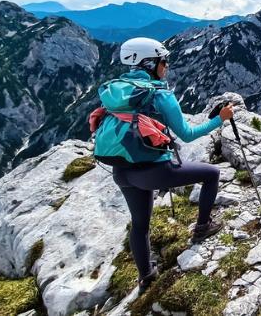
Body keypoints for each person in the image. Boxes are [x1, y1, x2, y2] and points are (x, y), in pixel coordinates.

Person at [98, 37, 233, 293]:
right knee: (212, 174)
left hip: (121, 171)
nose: (167, 66)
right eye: (163, 61)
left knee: (140, 225)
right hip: (153, 172)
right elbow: (188, 134)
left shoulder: (117, 90)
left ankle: (146, 277)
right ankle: (203, 227)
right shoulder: (160, 95)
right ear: (150, 63)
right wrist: (220, 119)